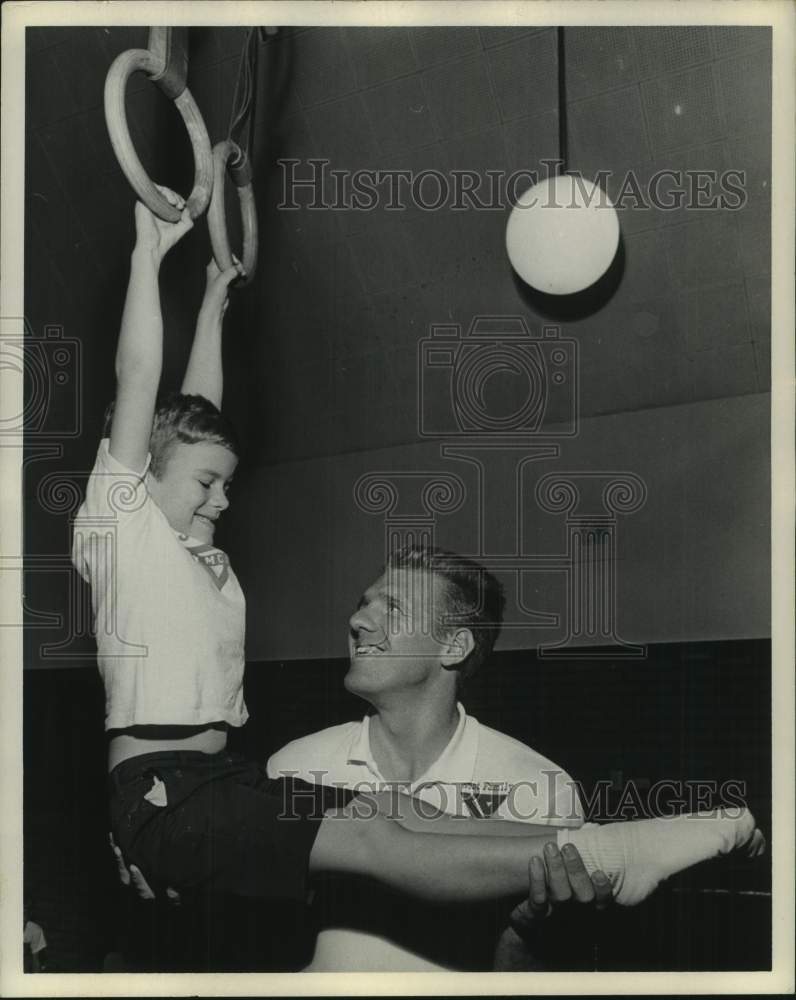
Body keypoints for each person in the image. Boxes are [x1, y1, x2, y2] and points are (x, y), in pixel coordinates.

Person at [79, 189, 764, 940]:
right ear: (139, 467)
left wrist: (213, 301)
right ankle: (617, 851)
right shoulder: (124, 524)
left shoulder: (190, 548)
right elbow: (140, 386)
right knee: (373, 836)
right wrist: (148, 255)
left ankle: (602, 848)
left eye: (227, 484)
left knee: (393, 809)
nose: (222, 501)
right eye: (207, 486)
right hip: (159, 789)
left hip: (215, 778)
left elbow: (196, 413)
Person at [266, 545, 603, 970]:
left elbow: (538, 973)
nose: (358, 621)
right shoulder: (294, 766)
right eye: (363, 604)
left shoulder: (538, 788)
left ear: (454, 646)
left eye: (393, 608)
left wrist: (523, 933)